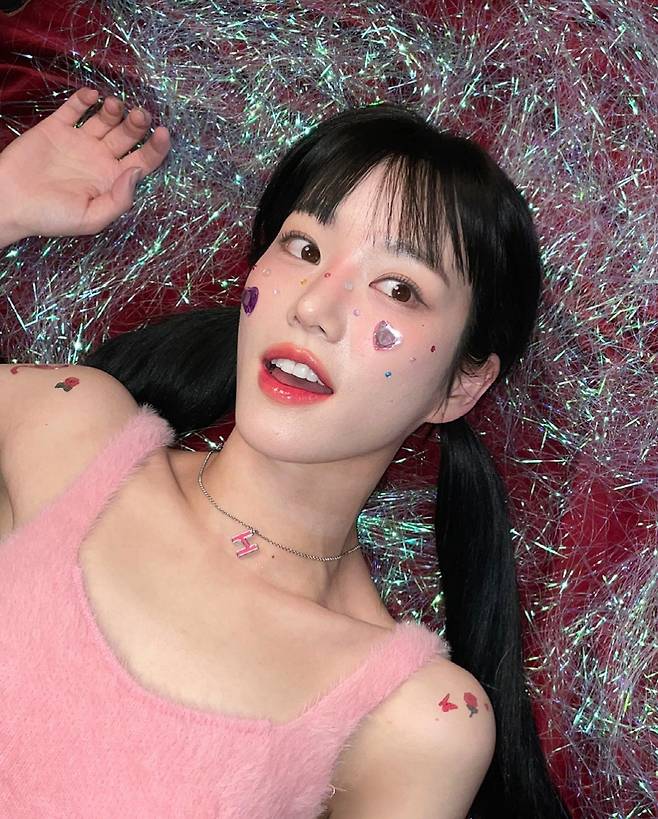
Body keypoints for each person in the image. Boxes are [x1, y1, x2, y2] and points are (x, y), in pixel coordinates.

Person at [0, 87, 571, 818]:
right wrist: (7, 204)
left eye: (398, 288)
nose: (313, 307)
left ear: (461, 386)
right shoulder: (67, 425)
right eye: (303, 249)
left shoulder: (416, 716)